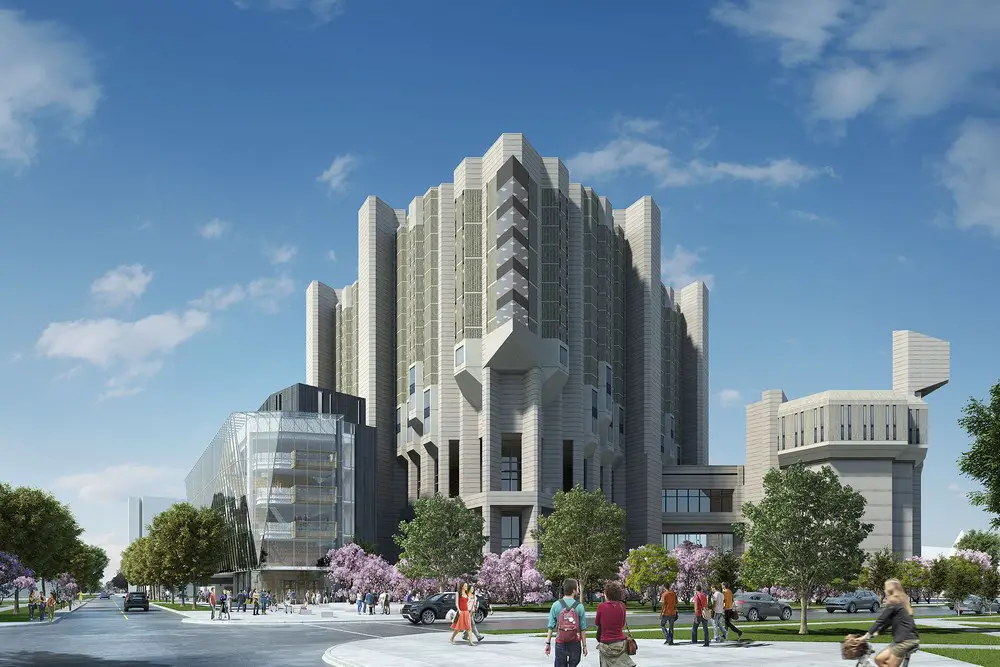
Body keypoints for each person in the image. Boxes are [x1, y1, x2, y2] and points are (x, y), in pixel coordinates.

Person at [859, 578, 920, 667]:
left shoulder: (894, 601)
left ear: (891, 588)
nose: (884, 589)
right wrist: (879, 632)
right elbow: (889, 621)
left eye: (885, 587)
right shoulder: (901, 600)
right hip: (902, 639)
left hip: (905, 641)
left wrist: (866, 635)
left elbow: (881, 620)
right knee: (879, 659)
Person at [545, 578, 588, 667]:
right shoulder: (579, 607)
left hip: (560, 642)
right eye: (577, 588)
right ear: (573, 590)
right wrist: (584, 646)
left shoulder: (556, 605)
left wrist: (548, 643)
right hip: (575, 642)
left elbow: (551, 626)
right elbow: (583, 628)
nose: (578, 590)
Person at [595, 582, 634, 667]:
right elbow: (622, 624)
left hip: (605, 642)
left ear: (607, 594)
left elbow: (597, 623)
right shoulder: (622, 606)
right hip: (620, 642)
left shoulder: (601, 606)